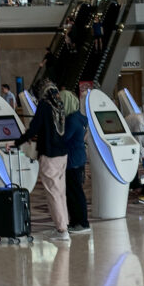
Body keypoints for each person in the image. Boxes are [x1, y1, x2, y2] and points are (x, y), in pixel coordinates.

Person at [12, 79, 69, 242]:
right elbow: (51, 128)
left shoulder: (45, 105)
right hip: (62, 154)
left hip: (50, 155)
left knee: (53, 194)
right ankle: (64, 224)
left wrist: (17, 142)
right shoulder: (58, 103)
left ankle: (62, 230)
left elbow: (35, 126)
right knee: (60, 192)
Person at [60, 91, 90, 235]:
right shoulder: (80, 117)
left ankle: (81, 222)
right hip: (79, 158)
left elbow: (64, 138)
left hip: (72, 160)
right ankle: (77, 221)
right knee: (76, 192)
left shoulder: (71, 120)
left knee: (74, 193)